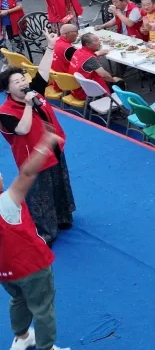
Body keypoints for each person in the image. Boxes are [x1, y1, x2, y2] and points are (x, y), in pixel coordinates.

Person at [0, 127, 69, 350]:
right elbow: (27, 174)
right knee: (43, 309)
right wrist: (44, 144)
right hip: (32, 266)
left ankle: (21, 337)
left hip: (5, 271)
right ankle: (46, 347)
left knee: (18, 300)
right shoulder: (7, 203)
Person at [0, 68, 75, 246]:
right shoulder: (5, 112)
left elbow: (42, 74)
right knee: (40, 196)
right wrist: (28, 105)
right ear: (7, 89)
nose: (22, 83)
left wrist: (49, 51)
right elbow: (22, 129)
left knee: (59, 185)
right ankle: (45, 233)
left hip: (53, 148)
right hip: (33, 159)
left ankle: (63, 217)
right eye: (16, 82)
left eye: (22, 79)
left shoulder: (35, 94)